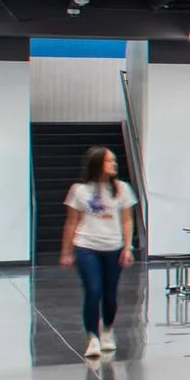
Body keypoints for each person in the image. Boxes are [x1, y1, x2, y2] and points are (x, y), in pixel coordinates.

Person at [59, 145, 137, 359]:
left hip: (113, 247)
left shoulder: (122, 189)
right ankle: (92, 337)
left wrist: (128, 247)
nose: (114, 164)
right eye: (109, 161)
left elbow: (128, 219)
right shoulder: (79, 190)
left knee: (110, 295)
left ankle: (107, 331)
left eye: (114, 161)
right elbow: (71, 221)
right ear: (97, 164)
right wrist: (66, 251)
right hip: (86, 246)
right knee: (93, 291)